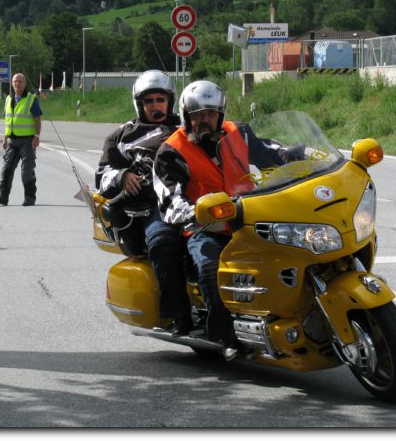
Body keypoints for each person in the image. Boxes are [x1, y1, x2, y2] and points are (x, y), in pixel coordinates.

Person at [153, 80, 288, 359]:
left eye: (210, 114)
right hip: (205, 228)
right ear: (186, 117)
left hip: (249, 218)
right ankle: (223, 334)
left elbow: (273, 154)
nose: (204, 120)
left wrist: (306, 157)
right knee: (210, 268)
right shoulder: (171, 151)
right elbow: (170, 199)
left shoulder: (238, 133)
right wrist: (194, 212)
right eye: (197, 115)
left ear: (220, 115)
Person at [96, 70, 193, 337]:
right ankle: (178, 314)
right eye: (148, 101)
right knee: (162, 241)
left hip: (194, 198)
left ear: (170, 101)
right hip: (152, 207)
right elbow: (101, 177)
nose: (155, 106)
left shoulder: (186, 127)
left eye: (160, 99)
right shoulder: (121, 136)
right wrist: (123, 175)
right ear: (139, 104)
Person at [0, 73, 42, 207]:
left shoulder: (31, 99)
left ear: (24, 84)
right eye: (15, 81)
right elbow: (8, 120)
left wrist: (36, 137)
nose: (17, 84)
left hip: (27, 141)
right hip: (12, 141)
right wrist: (5, 138)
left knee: (26, 171)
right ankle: (3, 197)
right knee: (6, 169)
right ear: (12, 83)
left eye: (20, 81)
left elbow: (37, 119)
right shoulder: (8, 99)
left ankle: (29, 198)